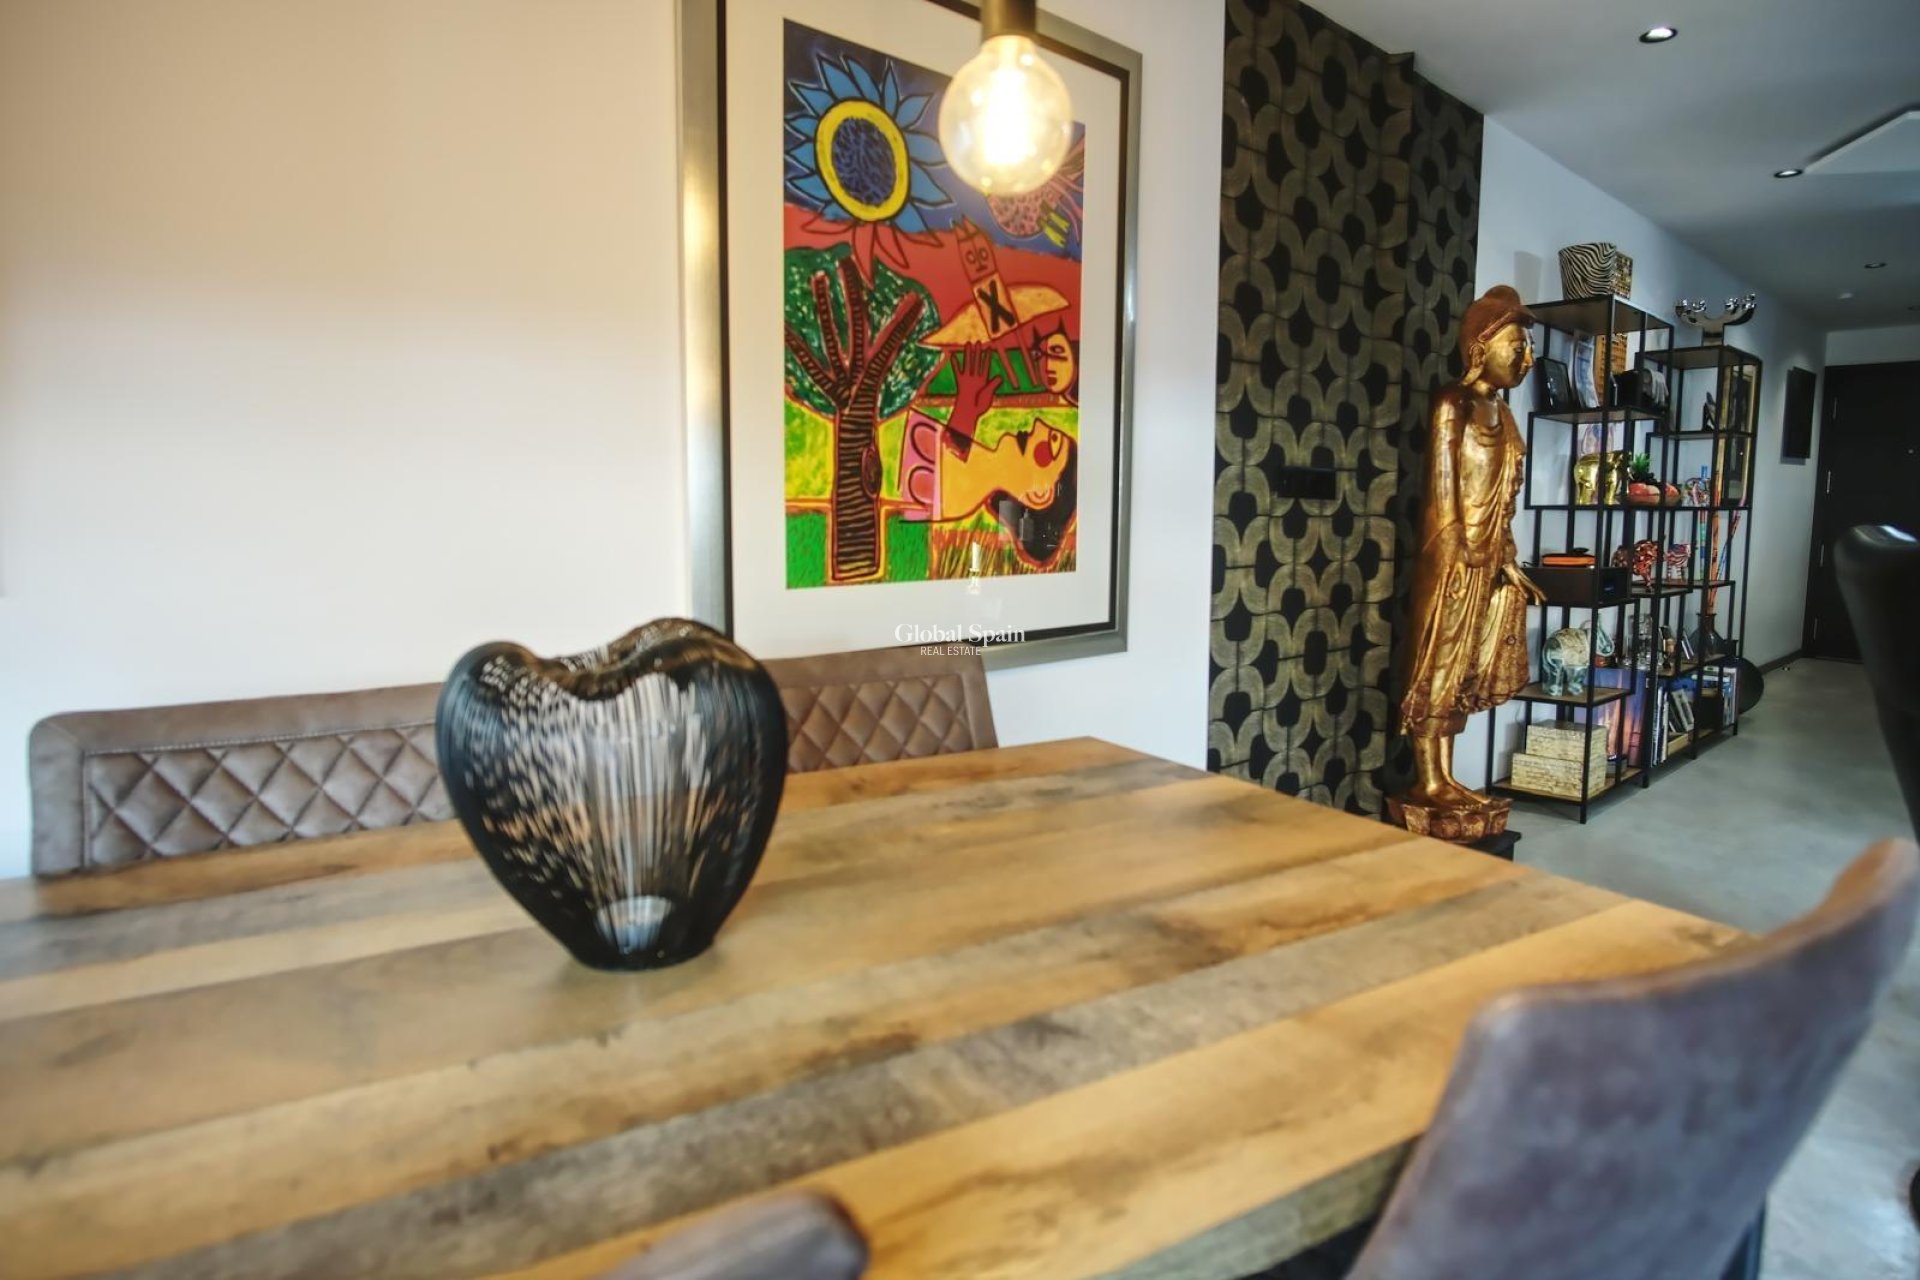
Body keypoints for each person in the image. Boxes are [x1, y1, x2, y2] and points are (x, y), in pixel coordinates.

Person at [1399, 285, 1546, 812]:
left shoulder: (1503, 413)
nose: (1526, 359)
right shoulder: (1452, 402)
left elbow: (1503, 501)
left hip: (1488, 559)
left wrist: (1507, 560)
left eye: (1529, 350)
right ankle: (1427, 780)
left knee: (1466, 669)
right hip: (1451, 560)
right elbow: (1442, 491)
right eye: (1517, 347)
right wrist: (1456, 555)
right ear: (1480, 347)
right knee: (1437, 662)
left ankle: (1447, 775)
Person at [899, 345, 1077, 569]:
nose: (1038, 424)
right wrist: (967, 411)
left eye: (1051, 444)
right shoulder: (959, 474)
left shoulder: (947, 496)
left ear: (1039, 494)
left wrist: (965, 410)